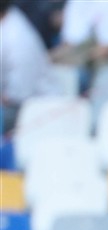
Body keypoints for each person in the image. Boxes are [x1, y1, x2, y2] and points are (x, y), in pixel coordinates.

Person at [0, 0, 63, 133]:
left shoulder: (17, 37)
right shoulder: (8, 19)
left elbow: (18, 93)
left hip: (36, 109)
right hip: (15, 102)